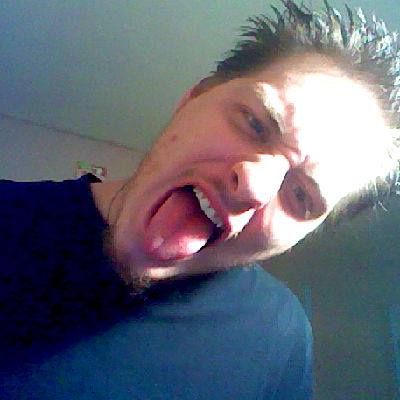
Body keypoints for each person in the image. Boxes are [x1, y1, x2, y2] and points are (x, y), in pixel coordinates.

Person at [0, 1, 399, 399]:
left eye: (301, 196)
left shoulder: (280, 336)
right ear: (192, 98)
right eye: (255, 123)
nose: (253, 186)